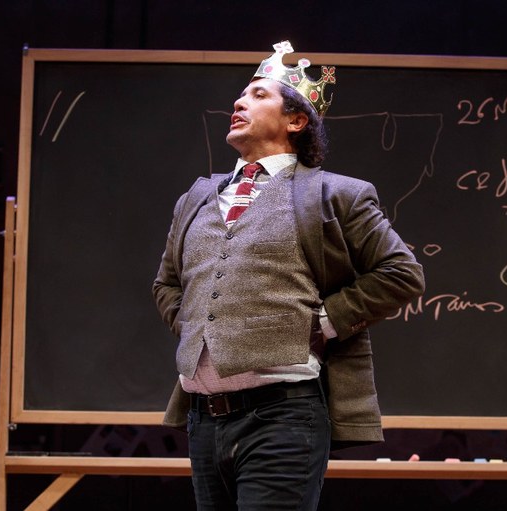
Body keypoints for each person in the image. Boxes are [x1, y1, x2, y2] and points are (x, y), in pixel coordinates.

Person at [152, 40, 425, 511]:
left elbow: (402, 273)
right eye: (242, 94)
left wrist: (323, 322)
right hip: (204, 419)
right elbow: (167, 284)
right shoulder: (195, 198)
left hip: (283, 415)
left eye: (259, 95)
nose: (240, 101)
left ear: (296, 121)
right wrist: (198, 326)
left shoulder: (335, 194)